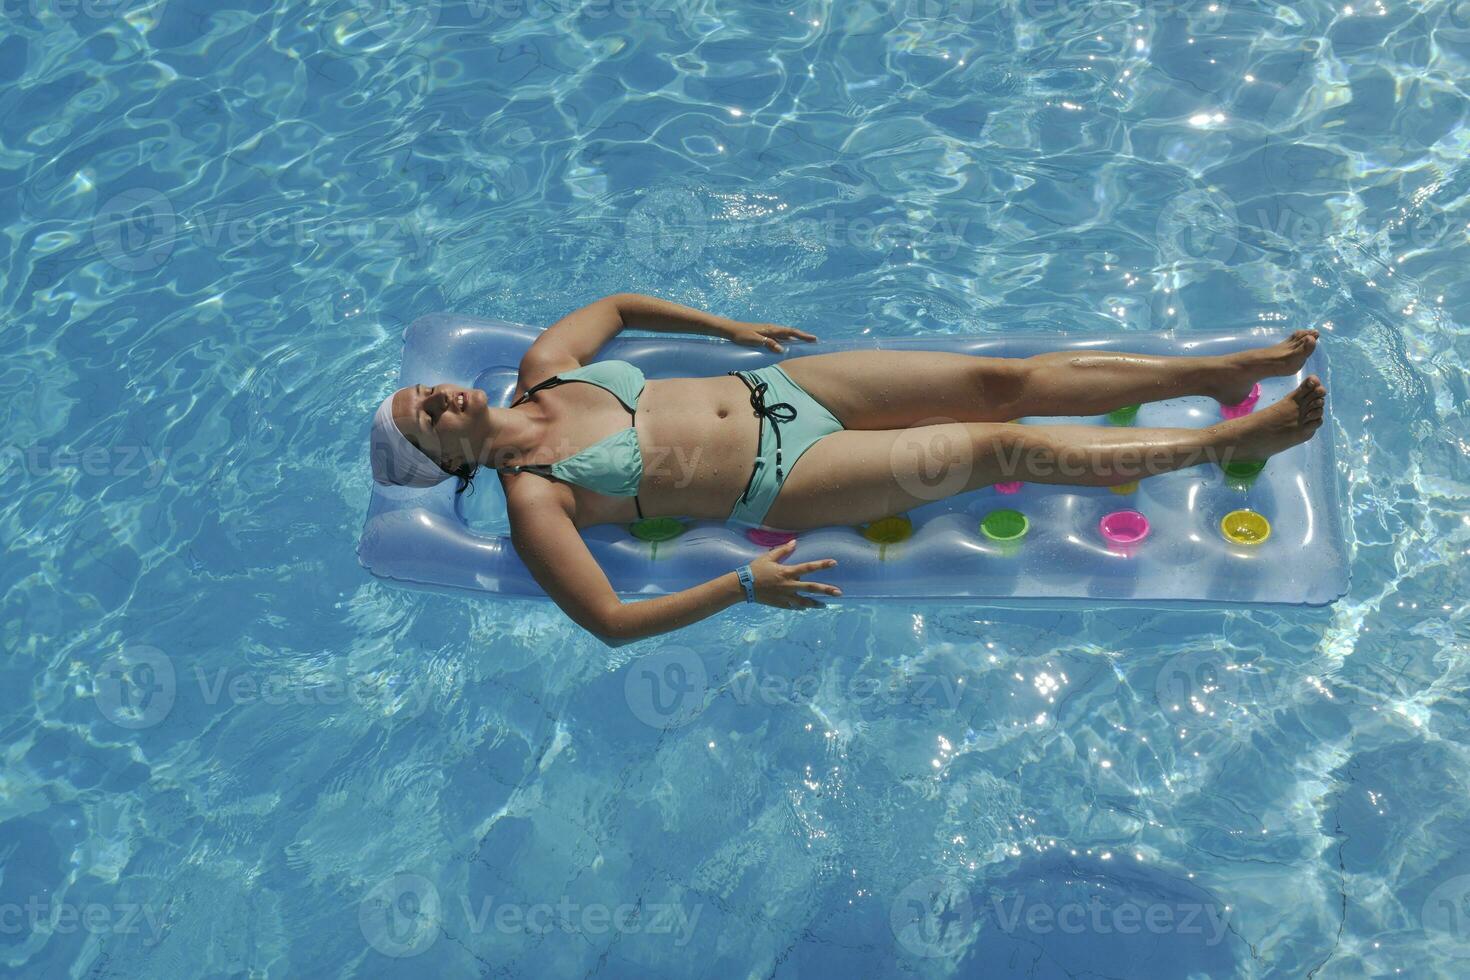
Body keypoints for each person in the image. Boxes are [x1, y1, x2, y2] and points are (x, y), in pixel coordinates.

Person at [370, 294, 1325, 644]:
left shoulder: (547, 367)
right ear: (443, 462)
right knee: (998, 447)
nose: (443, 394)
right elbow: (612, 624)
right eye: (427, 416)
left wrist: (725, 329)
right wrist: (742, 582)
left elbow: (616, 307)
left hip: (787, 389)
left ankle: (1218, 373)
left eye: (431, 391)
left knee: (1000, 379)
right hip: (789, 472)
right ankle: (1227, 442)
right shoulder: (541, 503)